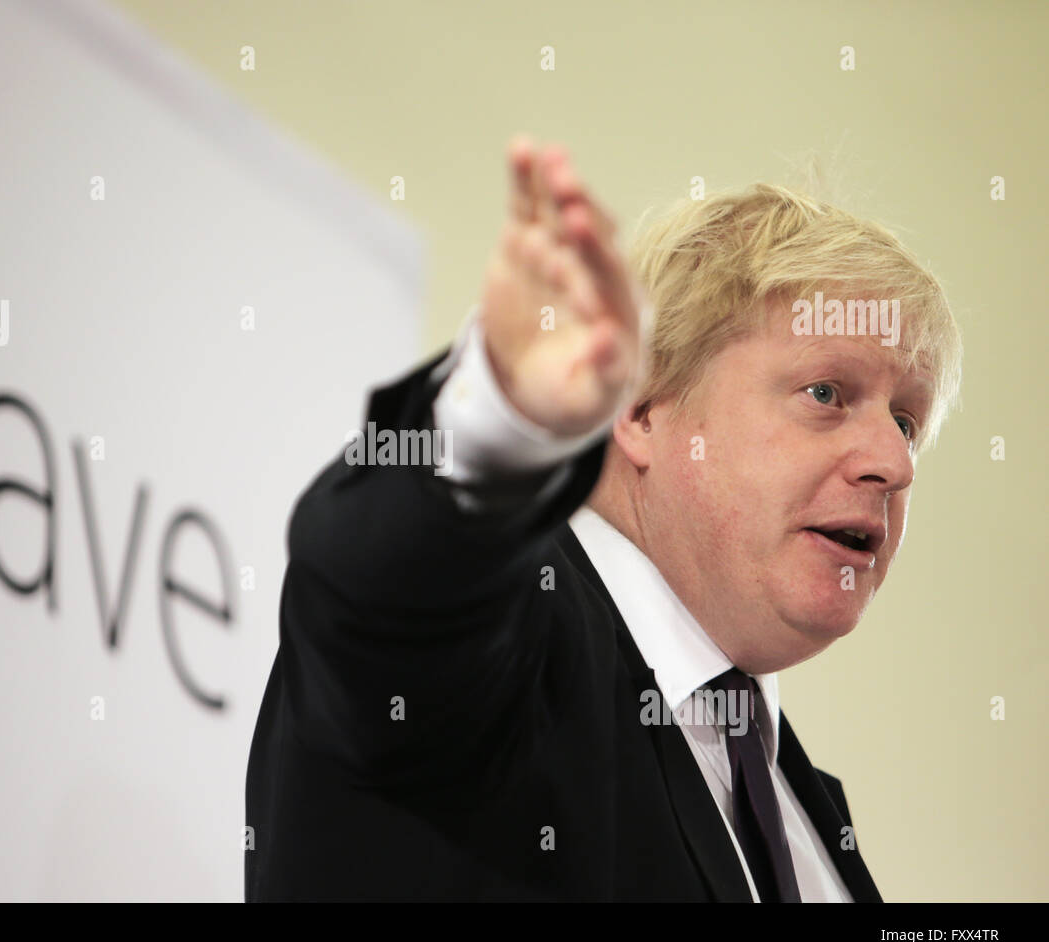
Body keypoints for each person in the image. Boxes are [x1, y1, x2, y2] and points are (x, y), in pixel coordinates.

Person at [244, 135, 962, 901]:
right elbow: (378, 589)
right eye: (827, 392)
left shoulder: (808, 816)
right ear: (643, 409)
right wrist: (498, 415)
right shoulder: (503, 660)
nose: (895, 462)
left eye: (908, 422)